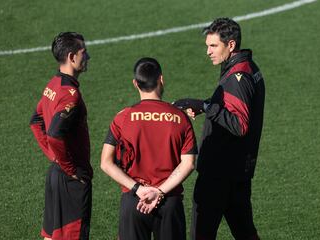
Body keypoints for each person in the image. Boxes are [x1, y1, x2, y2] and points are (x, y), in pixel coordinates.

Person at [173, 18, 265, 240]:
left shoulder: (237, 77)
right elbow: (233, 106)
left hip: (219, 175)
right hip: (235, 172)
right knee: (245, 233)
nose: (208, 52)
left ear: (231, 45)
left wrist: (206, 106)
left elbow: (239, 124)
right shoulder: (248, 67)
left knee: (201, 235)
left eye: (213, 46)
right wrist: (205, 105)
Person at [100, 57, 198, 240]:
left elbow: (106, 163)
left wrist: (138, 189)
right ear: (161, 79)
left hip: (134, 200)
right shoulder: (180, 118)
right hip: (169, 202)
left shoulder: (122, 118)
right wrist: (159, 192)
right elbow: (189, 163)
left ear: (135, 84)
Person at [30, 32, 93, 240]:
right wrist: (70, 168)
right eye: (84, 52)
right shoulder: (69, 95)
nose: (88, 57)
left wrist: (53, 157)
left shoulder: (53, 85)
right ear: (72, 57)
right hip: (70, 180)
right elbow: (55, 134)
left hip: (55, 175)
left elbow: (36, 121)